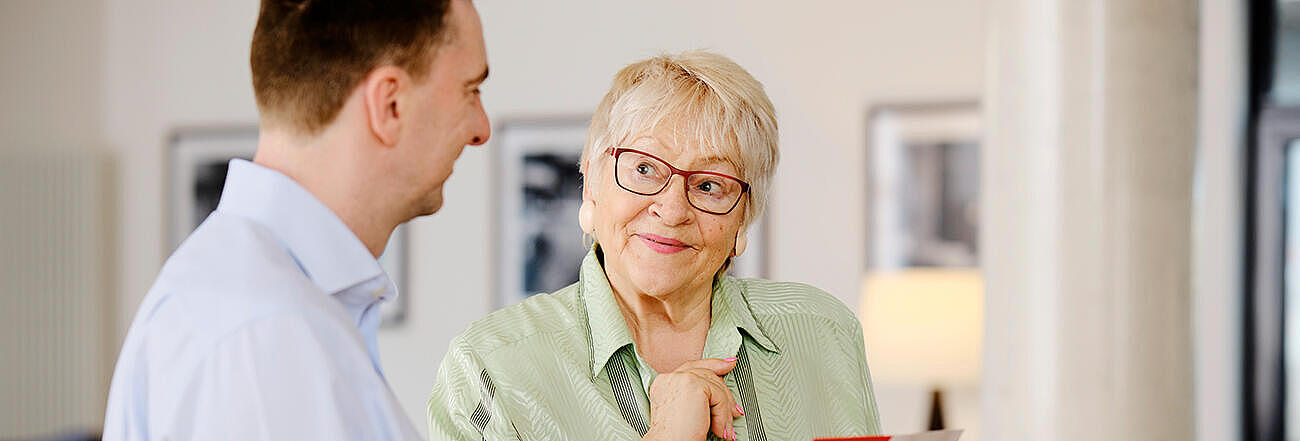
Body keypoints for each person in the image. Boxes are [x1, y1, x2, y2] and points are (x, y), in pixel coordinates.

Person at [427, 51, 881, 441]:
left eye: (708, 185)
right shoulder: (492, 367)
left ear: (744, 218)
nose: (672, 209)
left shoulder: (824, 333)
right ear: (591, 185)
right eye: (644, 169)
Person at [103, 0, 489, 439]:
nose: (481, 128)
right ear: (391, 105)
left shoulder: (265, 306)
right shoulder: (264, 335)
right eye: (470, 90)